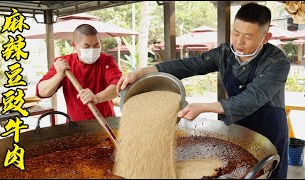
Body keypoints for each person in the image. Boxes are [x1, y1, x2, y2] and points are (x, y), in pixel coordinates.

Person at [117, 3, 290, 179]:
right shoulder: (224, 54)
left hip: (269, 131)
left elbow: (252, 98)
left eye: (248, 37)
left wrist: (203, 107)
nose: (239, 41)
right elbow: (186, 66)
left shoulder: (277, 63)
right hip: (239, 128)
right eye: (235, 33)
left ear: (266, 37)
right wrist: (142, 72)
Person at [36, 24, 122, 122]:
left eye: (96, 45)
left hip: (106, 122)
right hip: (75, 126)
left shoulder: (106, 61)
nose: (92, 49)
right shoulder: (63, 63)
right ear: (74, 45)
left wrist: (96, 98)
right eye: (87, 46)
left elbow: (118, 87)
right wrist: (59, 75)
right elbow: (41, 92)